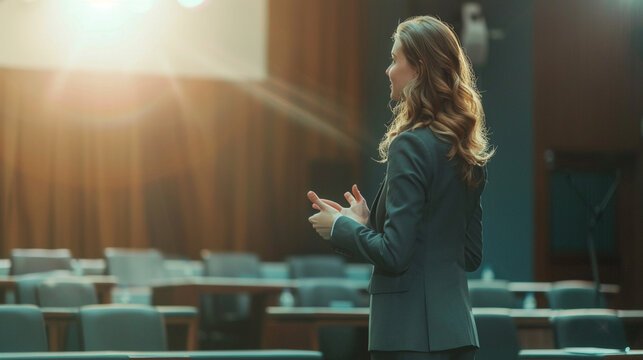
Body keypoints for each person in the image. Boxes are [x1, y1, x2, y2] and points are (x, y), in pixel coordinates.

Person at [307, 15, 494, 360]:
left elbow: (395, 254)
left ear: (418, 69)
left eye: (395, 60)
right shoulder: (467, 151)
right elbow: (469, 255)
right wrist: (366, 224)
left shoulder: (409, 145)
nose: (388, 70)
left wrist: (341, 228)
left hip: (407, 338)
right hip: (457, 337)